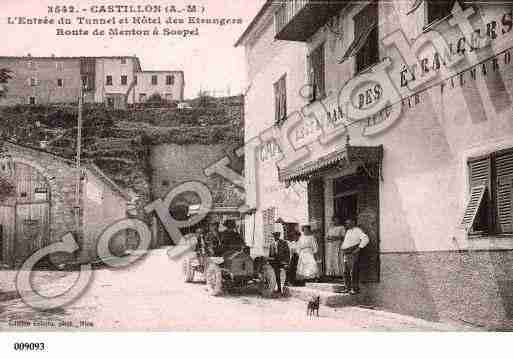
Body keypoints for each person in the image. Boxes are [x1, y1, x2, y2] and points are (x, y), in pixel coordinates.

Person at [340, 218, 369, 295]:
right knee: (345, 272)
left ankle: (355, 289)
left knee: (353, 271)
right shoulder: (348, 231)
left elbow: (365, 239)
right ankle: (347, 288)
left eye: (349, 223)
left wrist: (359, 248)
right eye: (346, 223)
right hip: (346, 253)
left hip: (352, 253)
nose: (348, 224)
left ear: (353, 222)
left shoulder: (358, 230)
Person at [269, 223, 290, 295]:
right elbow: (270, 255)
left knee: (286, 275)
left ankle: (285, 288)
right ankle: (279, 289)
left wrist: (287, 262)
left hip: (283, 261)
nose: (276, 236)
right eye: (274, 235)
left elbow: (287, 253)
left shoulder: (284, 243)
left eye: (277, 235)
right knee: (277, 276)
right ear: (273, 236)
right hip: (275, 262)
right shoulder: (271, 244)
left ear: (279, 235)